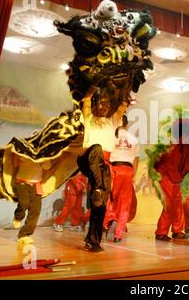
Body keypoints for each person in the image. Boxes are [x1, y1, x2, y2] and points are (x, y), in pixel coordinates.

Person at [77, 86, 127, 252]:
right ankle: (98, 189)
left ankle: (93, 241)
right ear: (96, 104)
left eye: (107, 104)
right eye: (101, 103)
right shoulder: (89, 118)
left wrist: (123, 89)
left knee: (101, 206)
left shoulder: (113, 121)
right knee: (97, 148)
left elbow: (122, 106)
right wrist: (90, 92)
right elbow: (85, 103)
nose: (104, 106)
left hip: (105, 165)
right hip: (88, 158)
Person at [104, 117, 140, 242]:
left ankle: (111, 218)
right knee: (124, 204)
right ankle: (118, 234)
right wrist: (133, 175)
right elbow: (136, 159)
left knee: (109, 199)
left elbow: (106, 155)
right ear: (127, 124)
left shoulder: (110, 137)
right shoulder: (133, 139)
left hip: (113, 169)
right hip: (128, 170)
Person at [12, 155, 51, 244]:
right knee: (24, 203)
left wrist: (41, 160)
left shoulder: (44, 154)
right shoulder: (23, 153)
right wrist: (16, 156)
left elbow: (47, 167)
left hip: (36, 184)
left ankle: (24, 235)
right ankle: (18, 217)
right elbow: (15, 165)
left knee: (35, 210)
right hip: (22, 182)